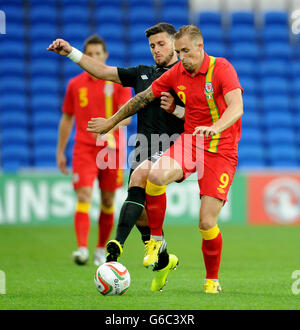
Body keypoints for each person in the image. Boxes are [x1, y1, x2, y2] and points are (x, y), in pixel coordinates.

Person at [85, 25, 244, 294]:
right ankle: (156, 241)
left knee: (206, 222)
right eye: (178, 51)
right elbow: (143, 97)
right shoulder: (177, 72)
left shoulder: (222, 68)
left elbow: (237, 107)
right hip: (192, 141)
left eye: (185, 51)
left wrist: (216, 128)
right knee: (154, 175)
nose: (181, 57)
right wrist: (112, 121)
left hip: (221, 149)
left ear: (200, 47)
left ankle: (211, 280)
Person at [48, 23, 185, 290]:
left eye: (161, 44)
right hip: (142, 148)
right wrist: (70, 52)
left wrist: (179, 110)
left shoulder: (186, 75)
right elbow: (102, 71)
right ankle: (163, 258)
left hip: (172, 148)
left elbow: (200, 110)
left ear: (175, 44)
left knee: (138, 185)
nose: (156, 50)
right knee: (140, 211)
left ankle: (116, 245)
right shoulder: (143, 73)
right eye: (152, 46)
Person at [56, 35, 132, 266]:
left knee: (108, 201)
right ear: (84, 56)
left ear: (105, 56)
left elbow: (127, 117)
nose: (94, 58)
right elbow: (67, 118)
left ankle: (100, 248)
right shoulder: (75, 84)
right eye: (90, 54)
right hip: (84, 148)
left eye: (98, 54)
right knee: (84, 195)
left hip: (112, 149)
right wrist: (60, 151)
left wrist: (110, 127)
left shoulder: (117, 82)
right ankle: (81, 248)